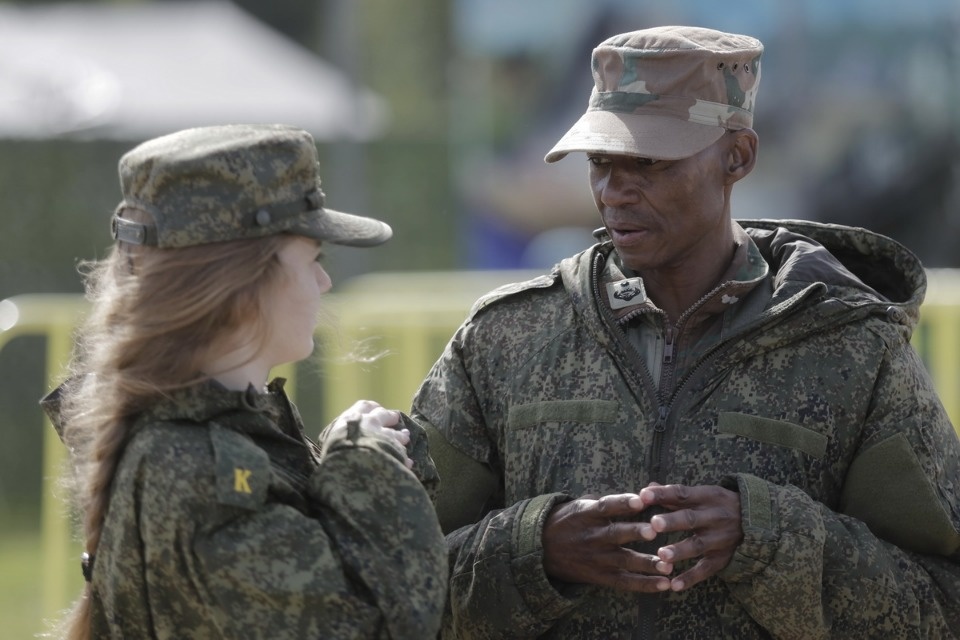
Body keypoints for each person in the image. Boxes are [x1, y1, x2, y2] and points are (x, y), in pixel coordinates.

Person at [412, 26, 960, 637]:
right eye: (600, 162)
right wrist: (533, 551)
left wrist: (768, 540)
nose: (614, 192)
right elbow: (398, 585)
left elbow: (943, 604)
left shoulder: (853, 349)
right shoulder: (503, 341)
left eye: (649, 162)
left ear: (738, 157)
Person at [42, 124, 447, 639]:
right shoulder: (201, 470)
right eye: (312, 259)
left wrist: (348, 463)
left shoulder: (208, 438)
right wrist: (365, 465)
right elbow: (371, 625)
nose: (324, 282)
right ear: (244, 283)